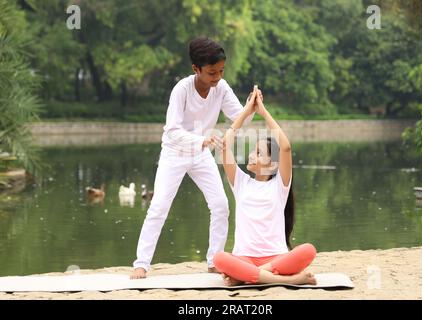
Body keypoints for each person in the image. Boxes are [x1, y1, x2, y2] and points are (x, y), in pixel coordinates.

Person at [131, 37, 255, 279]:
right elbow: (172, 131)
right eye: (211, 72)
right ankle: (141, 264)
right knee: (158, 207)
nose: (217, 77)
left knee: (221, 205)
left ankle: (214, 261)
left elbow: (242, 119)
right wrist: (202, 140)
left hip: (201, 155)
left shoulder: (221, 88)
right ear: (195, 69)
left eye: (221, 71)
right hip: (174, 154)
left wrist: (252, 106)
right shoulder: (182, 90)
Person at [213, 87, 317, 286]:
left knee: (308, 250)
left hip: (276, 258)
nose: (252, 155)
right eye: (253, 151)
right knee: (219, 258)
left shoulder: (280, 186)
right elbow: (225, 145)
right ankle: (290, 280)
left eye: (258, 153)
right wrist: (246, 111)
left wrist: (263, 111)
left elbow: (285, 147)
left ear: (273, 163)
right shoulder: (241, 182)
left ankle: (250, 276)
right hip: (245, 257)